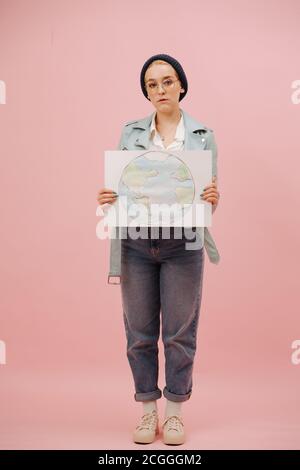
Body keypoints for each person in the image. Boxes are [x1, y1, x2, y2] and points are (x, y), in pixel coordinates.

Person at [97, 54, 220, 445]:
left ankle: (176, 413)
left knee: (181, 332)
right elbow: (122, 187)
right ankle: (148, 412)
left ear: (181, 85)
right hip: (135, 242)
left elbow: (206, 197)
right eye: (152, 84)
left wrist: (213, 196)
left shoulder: (202, 135)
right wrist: (107, 196)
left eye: (167, 82)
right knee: (139, 332)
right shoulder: (130, 132)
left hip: (184, 243)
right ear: (146, 91)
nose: (160, 90)